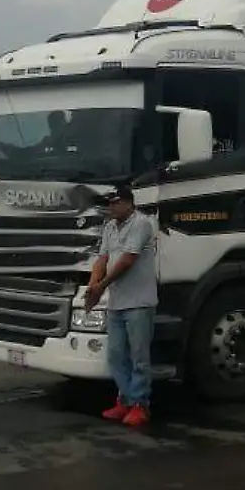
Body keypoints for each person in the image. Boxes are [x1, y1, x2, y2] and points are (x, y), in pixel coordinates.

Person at [86, 182, 158, 428]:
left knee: (139, 356)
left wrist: (103, 284)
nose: (113, 207)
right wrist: (93, 284)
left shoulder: (141, 224)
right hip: (117, 302)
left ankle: (140, 404)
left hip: (139, 301)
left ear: (129, 202)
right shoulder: (109, 227)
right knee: (116, 355)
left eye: (117, 203)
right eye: (111, 203)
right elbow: (102, 258)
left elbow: (127, 261)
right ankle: (125, 399)